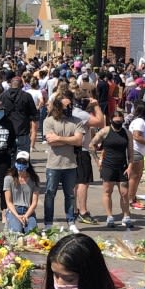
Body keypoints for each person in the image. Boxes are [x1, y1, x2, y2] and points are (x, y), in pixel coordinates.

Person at [42, 91, 83, 233]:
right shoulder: (48, 121)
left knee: (70, 195)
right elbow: (50, 141)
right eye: (66, 105)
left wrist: (59, 138)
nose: (70, 107)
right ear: (58, 106)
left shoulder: (76, 121)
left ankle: (71, 221)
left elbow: (78, 141)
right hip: (53, 164)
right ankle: (48, 223)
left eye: (71, 104)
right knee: (50, 193)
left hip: (70, 164)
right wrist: (68, 140)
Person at [91, 107, 133, 229]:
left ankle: (126, 216)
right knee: (107, 191)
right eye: (116, 120)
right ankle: (109, 216)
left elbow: (130, 152)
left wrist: (130, 167)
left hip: (122, 166)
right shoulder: (105, 131)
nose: (118, 122)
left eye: (120, 120)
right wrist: (97, 162)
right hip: (108, 166)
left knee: (124, 193)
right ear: (111, 120)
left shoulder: (127, 133)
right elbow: (91, 145)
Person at [125, 101, 145, 212]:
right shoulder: (139, 122)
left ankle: (132, 197)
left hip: (139, 151)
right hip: (135, 151)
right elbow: (136, 136)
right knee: (134, 176)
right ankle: (130, 200)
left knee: (137, 176)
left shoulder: (142, 122)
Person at [3, 151, 41, 234]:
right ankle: (10, 222)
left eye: (23, 162)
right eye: (19, 162)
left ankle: (22, 224)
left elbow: (34, 203)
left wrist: (26, 215)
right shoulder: (8, 178)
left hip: (28, 211)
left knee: (32, 233)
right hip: (14, 210)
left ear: (28, 164)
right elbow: (8, 202)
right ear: (15, 163)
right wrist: (17, 216)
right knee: (17, 231)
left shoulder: (34, 179)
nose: (21, 165)